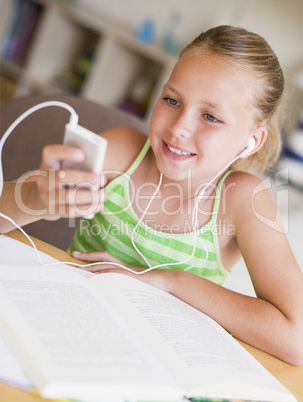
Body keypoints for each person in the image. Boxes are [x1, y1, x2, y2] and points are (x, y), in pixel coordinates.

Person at [1, 25, 302, 365]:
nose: (179, 127)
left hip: (166, 362)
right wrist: (34, 195)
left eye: (210, 116)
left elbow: (297, 338)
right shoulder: (123, 152)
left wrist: (167, 281)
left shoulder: (242, 200)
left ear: (251, 140)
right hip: (69, 332)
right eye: (172, 100)